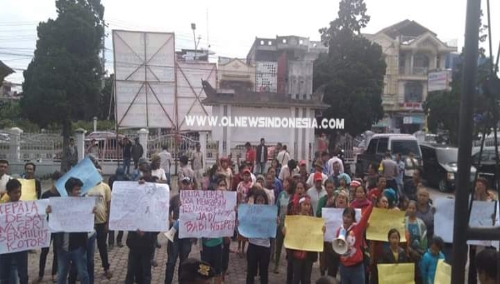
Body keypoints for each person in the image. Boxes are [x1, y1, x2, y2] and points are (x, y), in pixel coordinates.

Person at [50, 177, 92, 284]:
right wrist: (49, 212)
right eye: (76, 190)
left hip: (78, 247)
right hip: (62, 247)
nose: (79, 192)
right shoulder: (59, 205)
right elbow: (52, 223)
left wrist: (91, 213)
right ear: (69, 191)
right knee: (61, 275)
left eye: (80, 189)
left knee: (83, 274)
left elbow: (88, 224)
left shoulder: (84, 204)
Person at [124, 178, 157, 284]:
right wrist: (135, 229)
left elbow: (159, 225)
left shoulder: (155, 204)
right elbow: (126, 216)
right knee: (131, 271)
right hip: (134, 244)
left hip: (147, 244)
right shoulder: (133, 202)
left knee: (146, 273)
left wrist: (147, 232)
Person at [336, 194, 376, 284]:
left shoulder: (357, 229)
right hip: (343, 267)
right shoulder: (339, 231)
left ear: (353, 219)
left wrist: (372, 204)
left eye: (349, 217)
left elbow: (365, 217)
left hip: (356, 268)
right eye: (345, 216)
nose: (346, 219)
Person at [283, 196, 322, 284]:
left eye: (308, 205)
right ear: (300, 205)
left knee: (307, 278)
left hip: (309, 254)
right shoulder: (294, 219)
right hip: (296, 253)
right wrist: (285, 231)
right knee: (296, 277)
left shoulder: (314, 221)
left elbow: (316, 235)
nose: (306, 207)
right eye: (305, 204)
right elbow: (288, 232)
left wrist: (322, 230)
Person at [164, 177, 193, 284]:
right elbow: (167, 209)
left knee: (184, 262)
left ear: (191, 185)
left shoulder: (196, 199)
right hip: (175, 234)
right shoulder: (175, 198)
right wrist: (171, 220)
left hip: (187, 236)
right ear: (179, 185)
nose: (185, 186)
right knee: (171, 262)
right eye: (183, 183)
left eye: (187, 183)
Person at [0, 179, 29, 284]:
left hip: (21, 247)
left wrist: (45, 211)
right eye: (15, 192)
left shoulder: (26, 207)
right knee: (3, 274)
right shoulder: (2, 209)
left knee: (23, 274)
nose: (18, 194)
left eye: (19, 192)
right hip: (5, 248)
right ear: (8, 193)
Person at [245, 189, 276, 284]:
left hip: (265, 247)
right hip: (253, 245)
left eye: (262, 201)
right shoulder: (251, 212)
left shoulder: (270, 214)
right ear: (255, 201)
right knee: (250, 271)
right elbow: (244, 223)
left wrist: (276, 222)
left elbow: (273, 229)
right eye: (258, 201)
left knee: (264, 272)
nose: (260, 203)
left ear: (265, 202)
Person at [86, 174, 113, 279]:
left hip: (102, 222)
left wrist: (108, 222)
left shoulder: (105, 187)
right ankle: (85, 270)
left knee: (102, 246)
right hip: (89, 223)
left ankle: (106, 268)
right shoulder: (87, 186)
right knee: (87, 248)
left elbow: (109, 204)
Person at [38, 171, 62, 282]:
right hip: (47, 227)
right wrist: (46, 211)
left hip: (58, 227)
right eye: (56, 180)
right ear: (53, 181)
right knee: (44, 251)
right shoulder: (45, 195)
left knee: (57, 251)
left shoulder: (63, 195)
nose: (58, 183)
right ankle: (40, 274)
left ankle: (54, 273)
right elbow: (40, 212)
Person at [274, 178, 296, 273]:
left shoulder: (294, 196)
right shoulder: (281, 194)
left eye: (287, 182)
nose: (285, 184)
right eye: (284, 182)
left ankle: (290, 266)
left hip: (291, 225)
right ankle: (276, 265)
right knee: (278, 245)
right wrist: (277, 216)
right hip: (281, 223)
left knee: (289, 246)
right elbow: (277, 206)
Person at [107, 167, 130, 248]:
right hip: (114, 202)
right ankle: (111, 242)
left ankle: (118, 240)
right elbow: (110, 189)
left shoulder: (126, 178)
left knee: (122, 223)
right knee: (112, 223)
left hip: (123, 202)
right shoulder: (112, 178)